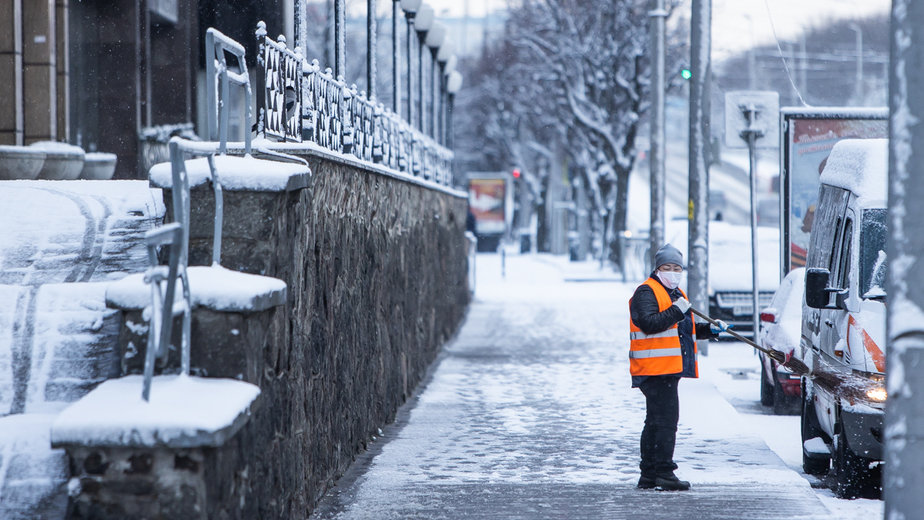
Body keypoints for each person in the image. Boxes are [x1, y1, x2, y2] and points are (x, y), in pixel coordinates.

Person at [628, 244, 728, 491]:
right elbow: (649, 324)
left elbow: (682, 331)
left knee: (655, 421)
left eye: (677, 268)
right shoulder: (646, 292)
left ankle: (650, 474)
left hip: (666, 368)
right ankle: (664, 473)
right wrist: (676, 310)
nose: (673, 272)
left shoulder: (674, 293)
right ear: (657, 268)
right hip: (654, 368)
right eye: (667, 267)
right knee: (665, 422)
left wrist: (710, 330)